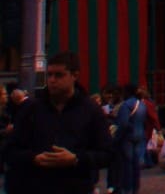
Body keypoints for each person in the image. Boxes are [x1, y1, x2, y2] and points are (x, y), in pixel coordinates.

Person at [5, 51, 113, 194]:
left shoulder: (91, 110)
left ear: (74, 76)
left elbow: (107, 154)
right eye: (49, 75)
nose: (52, 80)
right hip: (35, 186)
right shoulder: (31, 109)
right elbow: (10, 150)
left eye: (59, 75)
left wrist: (76, 159)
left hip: (76, 187)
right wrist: (33, 158)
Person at [112, 83, 147, 194]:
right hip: (139, 135)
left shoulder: (126, 105)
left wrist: (116, 138)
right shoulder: (142, 104)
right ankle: (135, 188)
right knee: (136, 164)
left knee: (127, 164)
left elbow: (123, 123)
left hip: (127, 137)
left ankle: (127, 188)